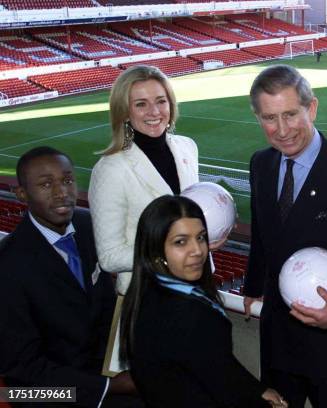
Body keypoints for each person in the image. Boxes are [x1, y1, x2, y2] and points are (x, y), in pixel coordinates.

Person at [243, 65, 327, 408]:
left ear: (312, 108)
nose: (282, 130)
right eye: (269, 118)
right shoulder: (260, 164)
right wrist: (251, 286)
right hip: (279, 342)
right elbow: (262, 233)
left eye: (291, 114)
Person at [0, 147, 138, 407]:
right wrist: (108, 387)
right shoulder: (7, 264)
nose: (62, 192)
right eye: (46, 184)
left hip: (103, 369)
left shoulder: (91, 226)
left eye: (67, 180)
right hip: (39, 392)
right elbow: (21, 367)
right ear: (21, 194)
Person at [119, 195, 286, 408]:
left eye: (200, 237)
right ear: (156, 249)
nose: (197, 250)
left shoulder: (146, 291)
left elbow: (216, 364)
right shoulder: (192, 315)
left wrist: (258, 390)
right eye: (181, 242)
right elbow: (222, 388)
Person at [89, 65, 200, 295]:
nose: (154, 111)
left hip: (196, 288)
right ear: (125, 112)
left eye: (161, 101)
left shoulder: (187, 148)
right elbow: (109, 256)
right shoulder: (110, 169)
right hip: (147, 296)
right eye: (141, 104)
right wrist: (176, 248)